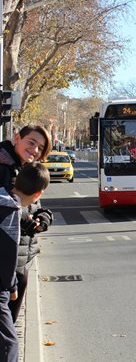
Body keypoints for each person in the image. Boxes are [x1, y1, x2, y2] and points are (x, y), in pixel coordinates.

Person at [0, 125, 53, 324]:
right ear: (16, 138)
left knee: (10, 323)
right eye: (31, 142)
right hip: (6, 262)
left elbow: (35, 205)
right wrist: (28, 221)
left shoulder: (27, 169)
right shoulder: (2, 167)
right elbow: (6, 206)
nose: (35, 150)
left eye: (40, 147)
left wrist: (44, 218)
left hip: (22, 258)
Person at [0, 162, 50, 362]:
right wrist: (11, 287)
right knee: (8, 345)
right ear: (38, 194)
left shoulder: (2, 196)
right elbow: (6, 256)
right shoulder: (10, 211)